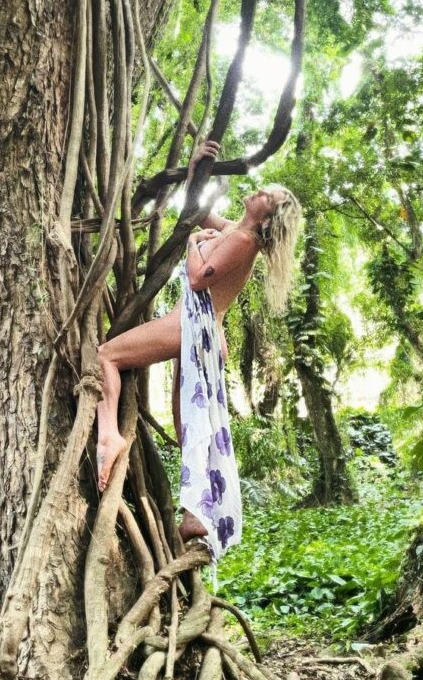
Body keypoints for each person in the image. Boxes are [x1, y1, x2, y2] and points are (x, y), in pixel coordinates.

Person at [96, 140, 302, 545]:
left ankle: (109, 434)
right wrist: (195, 171)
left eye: (268, 196)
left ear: (268, 217)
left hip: (195, 326)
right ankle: (196, 516)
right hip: (201, 331)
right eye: (264, 188)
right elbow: (195, 213)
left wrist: (192, 244)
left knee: (107, 355)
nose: (260, 191)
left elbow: (196, 279)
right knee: (189, 423)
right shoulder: (236, 232)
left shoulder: (244, 241)